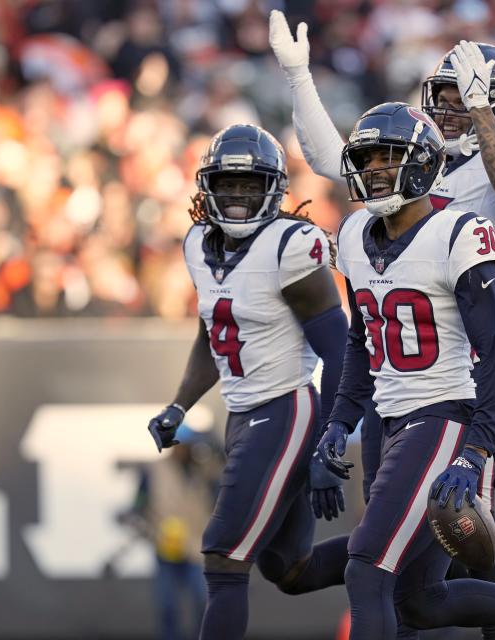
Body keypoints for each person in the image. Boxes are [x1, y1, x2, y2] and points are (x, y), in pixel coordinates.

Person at [270, 15, 495, 639]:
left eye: (469, 98)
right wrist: (299, 77)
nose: (453, 110)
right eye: (447, 99)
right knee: (418, 577)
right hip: (398, 371)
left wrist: (481, 116)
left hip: (460, 360)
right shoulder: (402, 176)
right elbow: (334, 158)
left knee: (453, 533)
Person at [315, 101, 495, 640]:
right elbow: (364, 341)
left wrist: (476, 450)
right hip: (388, 420)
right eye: (369, 159)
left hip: (443, 417)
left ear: (424, 164)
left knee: (365, 565)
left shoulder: (459, 233)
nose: (376, 170)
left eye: (389, 158)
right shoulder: (354, 235)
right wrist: (339, 420)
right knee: (419, 601)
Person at [145, 124, 351, 640]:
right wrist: (179, 406)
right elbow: (213, 335)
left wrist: (331, 440)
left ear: (274, 189)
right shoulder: (197, 244)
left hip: (286, 409)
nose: (238, 196)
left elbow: (340, 351)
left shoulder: (291, 244)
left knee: (222, 557)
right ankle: (412, 541)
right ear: (207, 187)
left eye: (250, 185)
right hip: (245, 415)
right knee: (289, 569)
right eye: (229, 185)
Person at [126, 427, 218, 640]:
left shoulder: (205, 471)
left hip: (197, 548)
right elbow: (138, 506)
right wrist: (151, 532)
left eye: (186, 446)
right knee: (167, 604)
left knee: (203, 600)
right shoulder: (153, 471)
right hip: (164, 548)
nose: (182, 450)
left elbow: (219, 501)